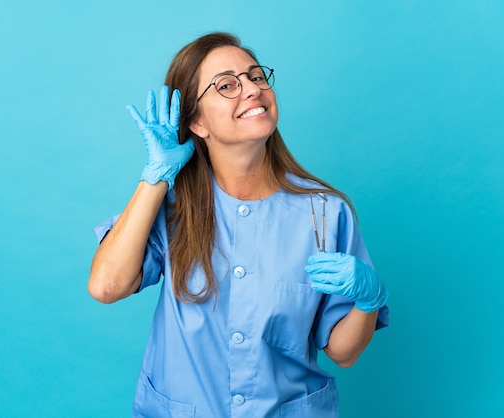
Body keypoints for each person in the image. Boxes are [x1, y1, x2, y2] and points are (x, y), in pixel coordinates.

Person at [88, 32, 389, 418]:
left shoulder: (324, 212)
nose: (251, 89)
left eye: (256, 77)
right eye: (227, 85)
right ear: (197, 122)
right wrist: (156, 177)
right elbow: (106, 286)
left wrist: (369, 300)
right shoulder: (173, 206)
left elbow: (343, 352)